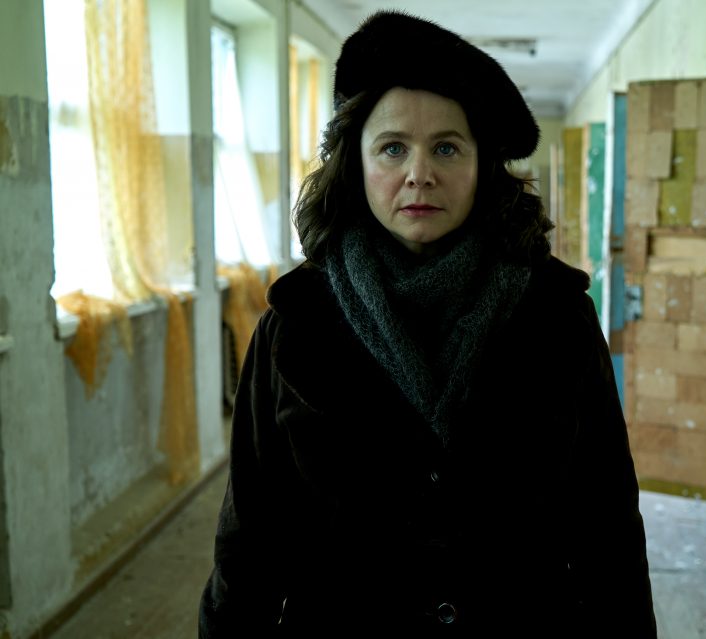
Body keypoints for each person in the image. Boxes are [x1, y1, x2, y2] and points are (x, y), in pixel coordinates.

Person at [199, 10, 656, 637]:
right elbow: (250, 538)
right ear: (355, 164)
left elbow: (607, 522)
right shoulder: (295, 324)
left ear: (482, 165)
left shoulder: (555, 311)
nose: (420, 174)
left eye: (446, 147)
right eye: (393, 148)